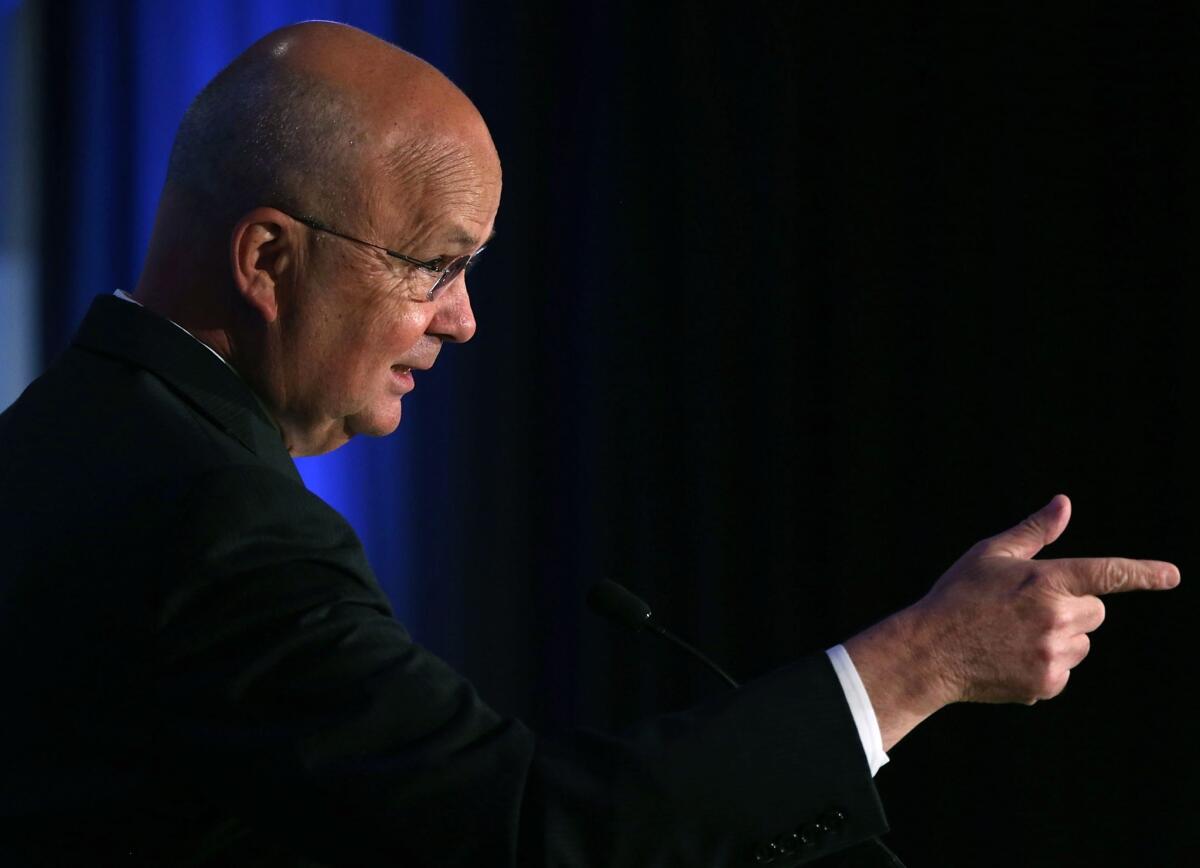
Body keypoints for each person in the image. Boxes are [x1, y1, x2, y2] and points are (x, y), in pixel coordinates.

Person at [0, 21, 1179, 868]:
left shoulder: (59, 435)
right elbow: (518, 833)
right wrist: (922, 660)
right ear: (267, 260)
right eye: (435, 265)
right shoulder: (214, 519)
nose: (462, 318)